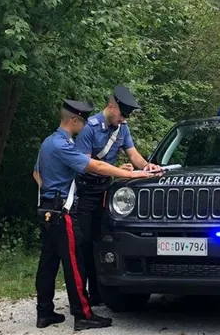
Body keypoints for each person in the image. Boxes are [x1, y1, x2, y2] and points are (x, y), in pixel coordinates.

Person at [32, 98, 159, 331]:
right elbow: (95, 167)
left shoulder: (48, 143)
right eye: (81, 121)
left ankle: (44, 312)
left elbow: (36, 175)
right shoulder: (64, 147)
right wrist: (132, 176)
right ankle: (83, 315)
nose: (83, 126)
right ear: (73, 120)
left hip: (46, 209)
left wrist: (50, 192)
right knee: (74, 264)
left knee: (48, 262)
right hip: (63, 212)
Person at [74, 85, 162, 306]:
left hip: (105, 189)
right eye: (123, 114)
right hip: (86, 190)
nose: (125, 119)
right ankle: (81, 296)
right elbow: (86, 165)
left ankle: (97, 293)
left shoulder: (121, 128)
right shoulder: (90, 128)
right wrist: (121, 172)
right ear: (111, 106)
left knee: (99, 241)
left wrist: (148, 167)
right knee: (83, 243)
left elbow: (134, 156)